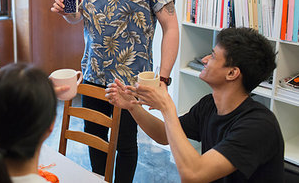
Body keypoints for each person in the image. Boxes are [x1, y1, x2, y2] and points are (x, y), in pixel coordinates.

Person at [50, 0, 179, 182]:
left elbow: (171, 27)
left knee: (124, 145)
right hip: (93, 72)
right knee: (94, 138)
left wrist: (164, 79)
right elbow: (76, 16)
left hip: (129, 81)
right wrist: (64, 11)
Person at [106, 27, 284, 182]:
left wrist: (166, 106)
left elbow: (192, 174)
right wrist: (132, 105)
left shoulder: (259, 127)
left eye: (213, 56)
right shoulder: (209, 105)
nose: (204, 59)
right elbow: (163, 135)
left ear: (232, 73)